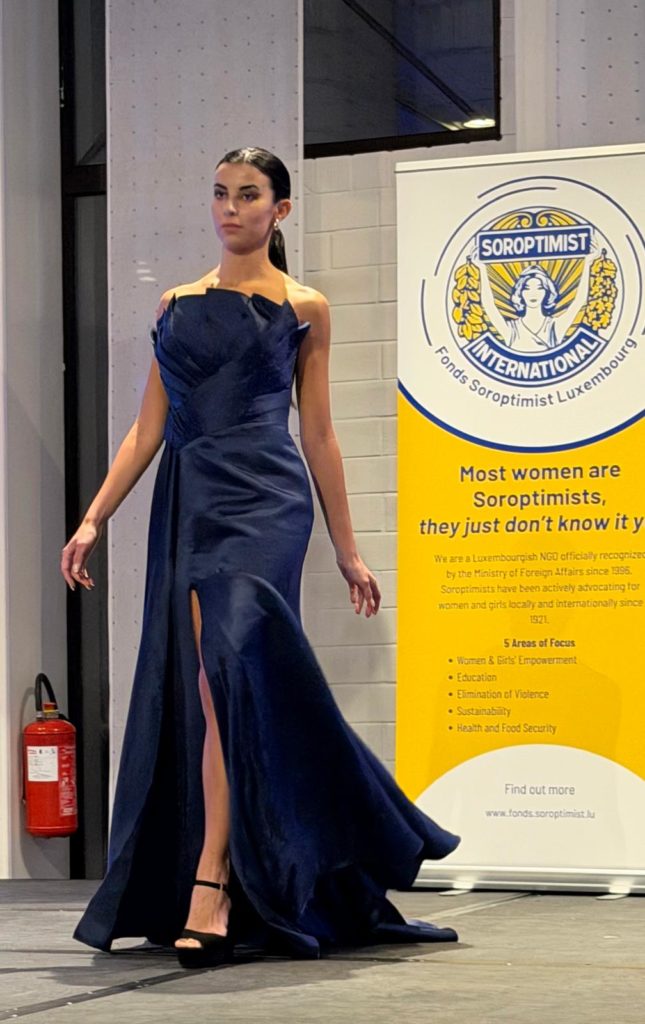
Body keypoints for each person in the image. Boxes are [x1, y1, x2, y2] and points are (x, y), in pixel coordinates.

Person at [61, 146, 460, 968]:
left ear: (280, 210)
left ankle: (212, 882)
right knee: (219, 693)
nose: (229, 208)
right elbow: (146, 429)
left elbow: (318, 434)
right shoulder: (175, 305)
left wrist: (347, 549)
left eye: (248, 195)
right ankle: (239, 871)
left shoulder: (304, 306)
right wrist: (94, 517)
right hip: (192, 503)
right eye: (220, 193)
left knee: (231, 673)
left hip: (268, 504)